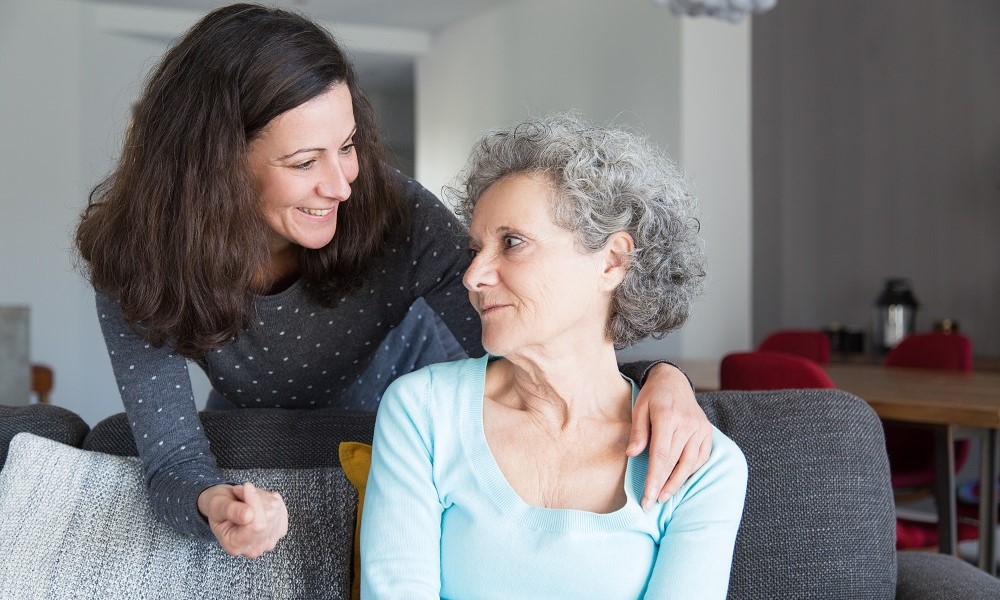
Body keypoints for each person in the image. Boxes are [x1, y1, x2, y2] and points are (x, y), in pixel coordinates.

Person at [74, 4, 712, 559]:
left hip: (405, 434)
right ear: (213, 166)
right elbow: (172, 465)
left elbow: (541, 337)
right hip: (259, 437)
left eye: (347, 145)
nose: (341, 183)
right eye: (304, 162)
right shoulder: (139, 262)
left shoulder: (394, 213)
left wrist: (657, 377)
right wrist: (215, 504)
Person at [362, 113, 748, 599]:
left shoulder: (701, 466)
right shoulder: (421, 411)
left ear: (611, 261)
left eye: (512, 243)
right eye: (475, 249)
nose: (472, 276)